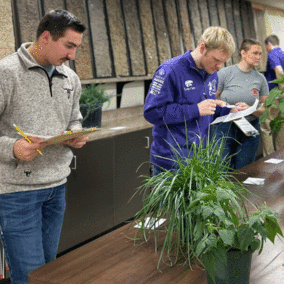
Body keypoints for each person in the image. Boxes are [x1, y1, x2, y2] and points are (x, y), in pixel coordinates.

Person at [0, 10, 89, 283]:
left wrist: (76, 134)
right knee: (28, 276)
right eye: (69, 46)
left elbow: (74, 119)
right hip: (17, 193)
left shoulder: (70, 79)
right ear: (46, 37)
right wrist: (12, 148)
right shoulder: (6, 72)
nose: (73, 56)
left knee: (48, 272)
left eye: (77, 47)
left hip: (56, 188)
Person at [144, 26, 237, 174]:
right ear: (202, 48)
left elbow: (205, 110)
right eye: (216, 60)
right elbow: (152, 112)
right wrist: (196, 109)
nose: (219, 66)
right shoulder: (170, 70)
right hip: (171, 164)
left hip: (199, 159)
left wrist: (229, 109)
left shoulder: (212, 73)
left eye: (223, 62)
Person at [211, 39, 269, 170]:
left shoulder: (260, 79)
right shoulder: (225, 73)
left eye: (260, 54)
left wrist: (250, 110)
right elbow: (211, 99)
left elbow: (264, 108)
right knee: (221, 168)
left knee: (245, 169)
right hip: (224, 126)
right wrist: (227, 107)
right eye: (255, 53)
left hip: (249, 127)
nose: (259, 57)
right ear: (243, 53)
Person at [261, 35, 284, 156]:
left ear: (269, 43)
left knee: (266, 126)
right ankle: (280, 157)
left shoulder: (272, 53)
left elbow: (279, 70)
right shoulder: (282, 53)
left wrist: (281, 90)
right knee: (281, 126)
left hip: (275, 95)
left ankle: (269, 157)